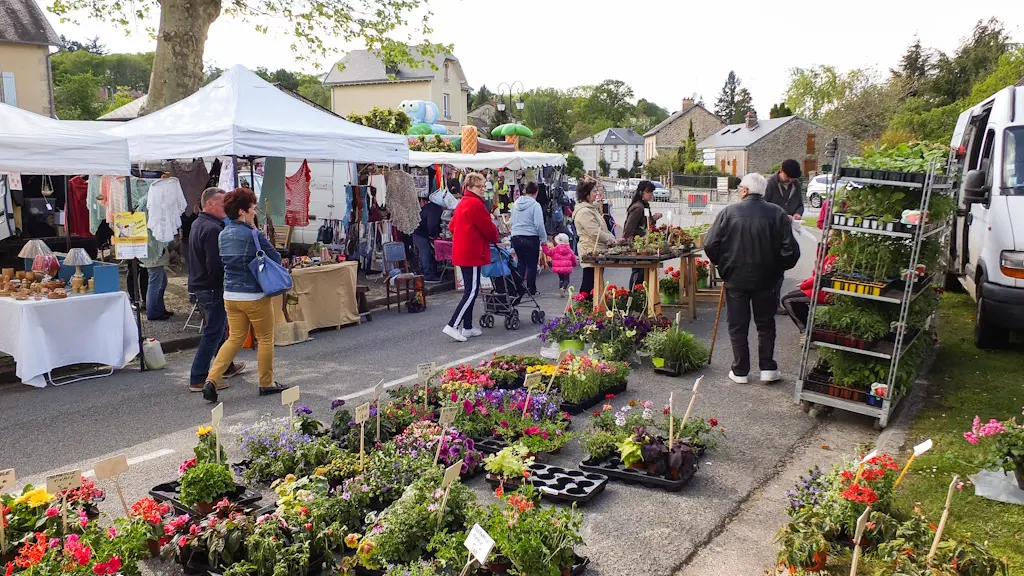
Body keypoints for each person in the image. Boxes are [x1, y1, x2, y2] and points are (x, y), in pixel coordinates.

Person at [704, 172, 800, 384]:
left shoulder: (728, 212)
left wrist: (723, 265)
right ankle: (767, 368)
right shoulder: (777, 213)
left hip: (735, 277)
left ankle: (740, 370)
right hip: (767, 278)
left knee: (738, 324)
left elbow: (710, 244)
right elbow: (791, 251)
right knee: (765, 324)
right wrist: (779, 268)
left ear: (745, 191)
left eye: (740, 189)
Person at [201, 187, 290, 402]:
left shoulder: (223, 234)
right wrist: (257, 232)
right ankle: (266, 383)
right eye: (252, 208)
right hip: (254, 295)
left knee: (234, 338)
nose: (254, 212)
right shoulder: (253, 234)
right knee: (265, 338)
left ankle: (211, 379)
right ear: (242, 211)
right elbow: (275, 258)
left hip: (231, 294)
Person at [188, 187, 245, 393]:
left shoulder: (199, 223)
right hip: (210, 287)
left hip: (200, 285)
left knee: (217, 329)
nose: (226, 208)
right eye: (223, 204)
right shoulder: (212, 229)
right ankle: (198, 378)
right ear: (210, 204)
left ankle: (226, 366)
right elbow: (214, 264)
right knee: (213, 332)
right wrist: (227, 280)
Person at [444, 172, 500, 343]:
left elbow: (452, 226)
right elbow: (489, 229)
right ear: (469, 187)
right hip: (472, 253)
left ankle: (467, 327)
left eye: (483, 186)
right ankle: (453, 325)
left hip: (463, 251)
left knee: (471, 290)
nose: (483, 189)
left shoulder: (463, 202)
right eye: (479, 186)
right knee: (471, 291)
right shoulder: (476, 204)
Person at [764, 159, 804, 313]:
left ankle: (774, 304)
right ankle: (766, 303)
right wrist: (780, 215)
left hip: (786, 232)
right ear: (781, 171)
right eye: (788, 177)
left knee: (780, 268)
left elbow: (800, 204)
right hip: (770, 233)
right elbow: (763, 206)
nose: (790, 180)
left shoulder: (796, 184)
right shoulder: (769, 184)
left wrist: (798, 213)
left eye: (793, 178)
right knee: (769, 269)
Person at [573, 179, 616, 296]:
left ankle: (592, 303)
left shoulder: (591, 208)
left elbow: (602, 229)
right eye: (593, 191)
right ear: (586, 194)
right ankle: (583, 304)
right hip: (590, 250)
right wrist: (610, 239)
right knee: (589, 283)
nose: (596, 193)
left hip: (596, 249)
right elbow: (595, 232)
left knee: (595, 282)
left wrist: (610, 236)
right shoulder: (584, 212)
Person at [782, 254, 836, 341]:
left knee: (787, 300)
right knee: (792, 297)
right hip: (821, 288)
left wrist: (804, 284)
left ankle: (806, 331)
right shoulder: (829, 254)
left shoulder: (834, 257)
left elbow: (821, 276)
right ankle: (809, 328)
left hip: (825, 291)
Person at [621, 180, 662, 289]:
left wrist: (654, 219)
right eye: (649, 192)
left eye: (652, 192)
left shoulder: (644, 205)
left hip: (643, 245)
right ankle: (633, 294)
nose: (651, 194)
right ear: (641, 192)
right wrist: (628, 245)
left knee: (643, 273)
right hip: (638, 246)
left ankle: (642, 295)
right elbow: (629, 228)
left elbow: (646, 223)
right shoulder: (638, 207)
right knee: (638, 272)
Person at [510, 182, 547, 295]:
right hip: (530, 237)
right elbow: (539, 224)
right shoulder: (535, 205)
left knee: (521, 263)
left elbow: (511, 221)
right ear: (536, 192)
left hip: (516, 236)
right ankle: (531, 289)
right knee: (531, 265)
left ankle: (519, 289)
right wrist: (543, 238)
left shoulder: (516, 203)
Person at [412, 194, 444, 283]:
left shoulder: (431, 206)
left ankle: (426, 272)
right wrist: (434, 235)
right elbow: (431, 225)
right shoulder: (435, 209)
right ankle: (427, 275)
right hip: (419, 232)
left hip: (418, 230)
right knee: (425, 252)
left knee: (425, 252)